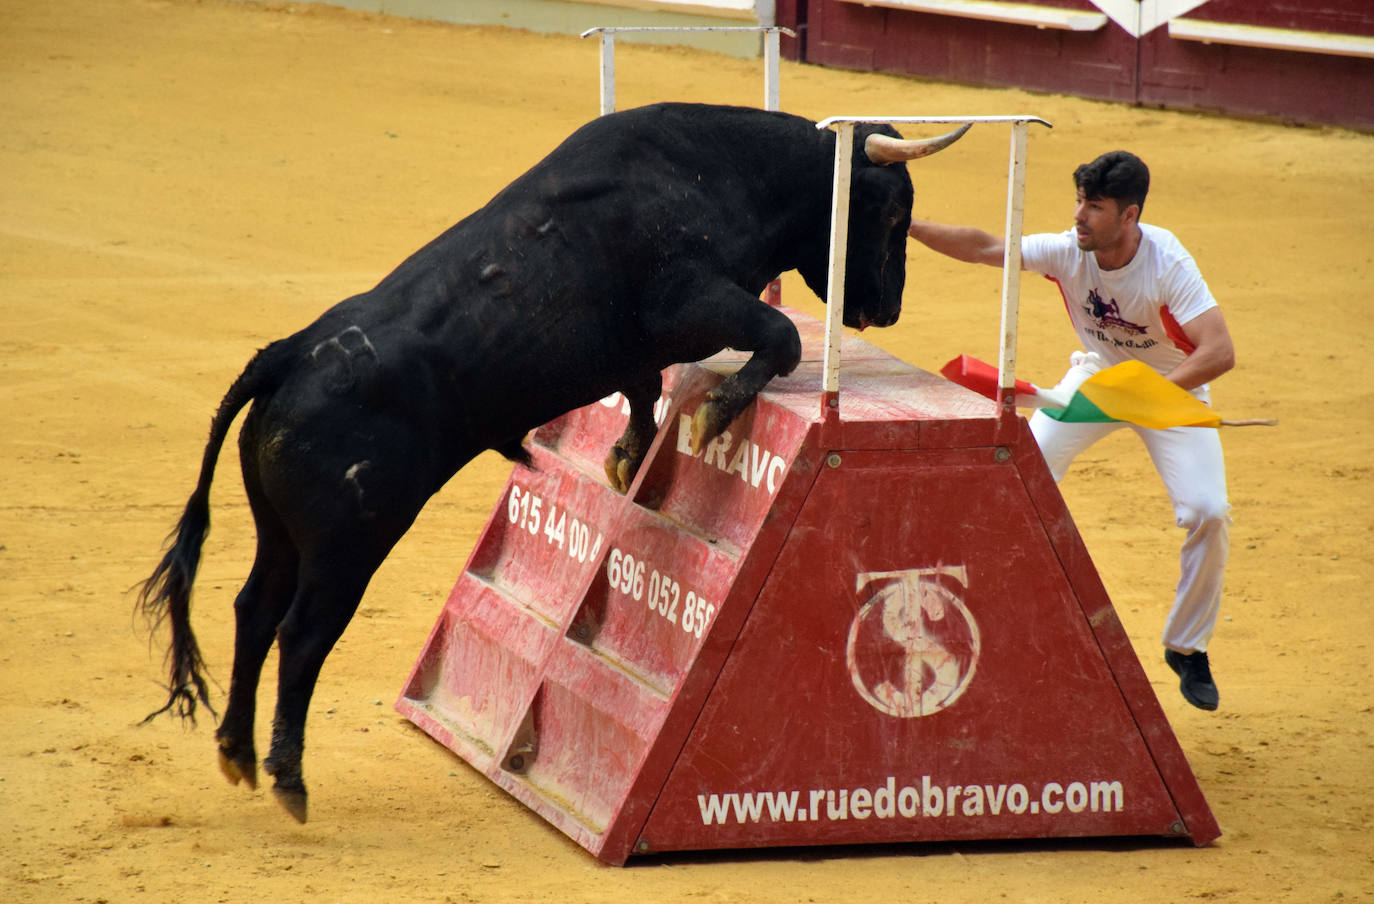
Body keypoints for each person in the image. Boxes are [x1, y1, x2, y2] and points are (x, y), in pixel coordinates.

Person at [907, 150, 1234, 711]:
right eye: (1080, 201)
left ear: (1130, 216)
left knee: (1208, 512)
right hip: (1097, 380)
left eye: (1095, 207)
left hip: (1169, 387)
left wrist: (1153, 393)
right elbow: (986, 248)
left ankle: (1187, 647)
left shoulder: (1167, 263)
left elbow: (1218, 351)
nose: (1080, 216)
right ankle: (975, 609)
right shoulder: (1068, 250)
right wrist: (904, 223)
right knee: (1018, 474)